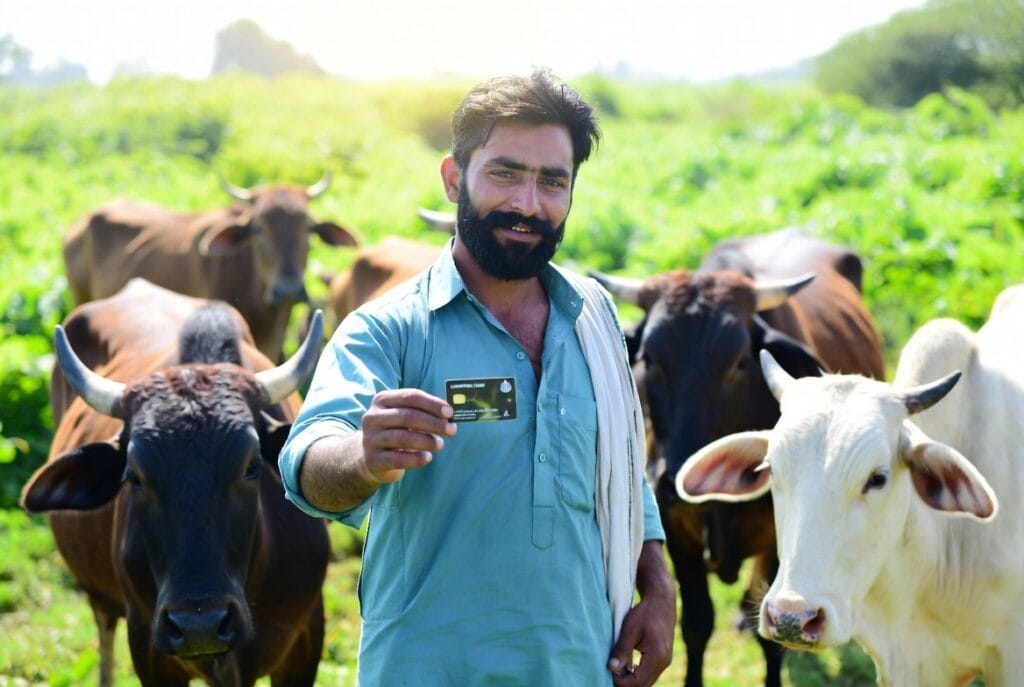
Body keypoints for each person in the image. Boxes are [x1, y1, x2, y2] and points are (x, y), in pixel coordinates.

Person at [279, 68, 676, 687]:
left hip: (582, 664)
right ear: (453, 178)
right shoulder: (389, 330)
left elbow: (620, 460)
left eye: (552, 182)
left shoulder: (593, 316)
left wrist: (657, 585)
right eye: (504, 174)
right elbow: (307, 465)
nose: (528, 204)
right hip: (427, 671)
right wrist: (363, 456)